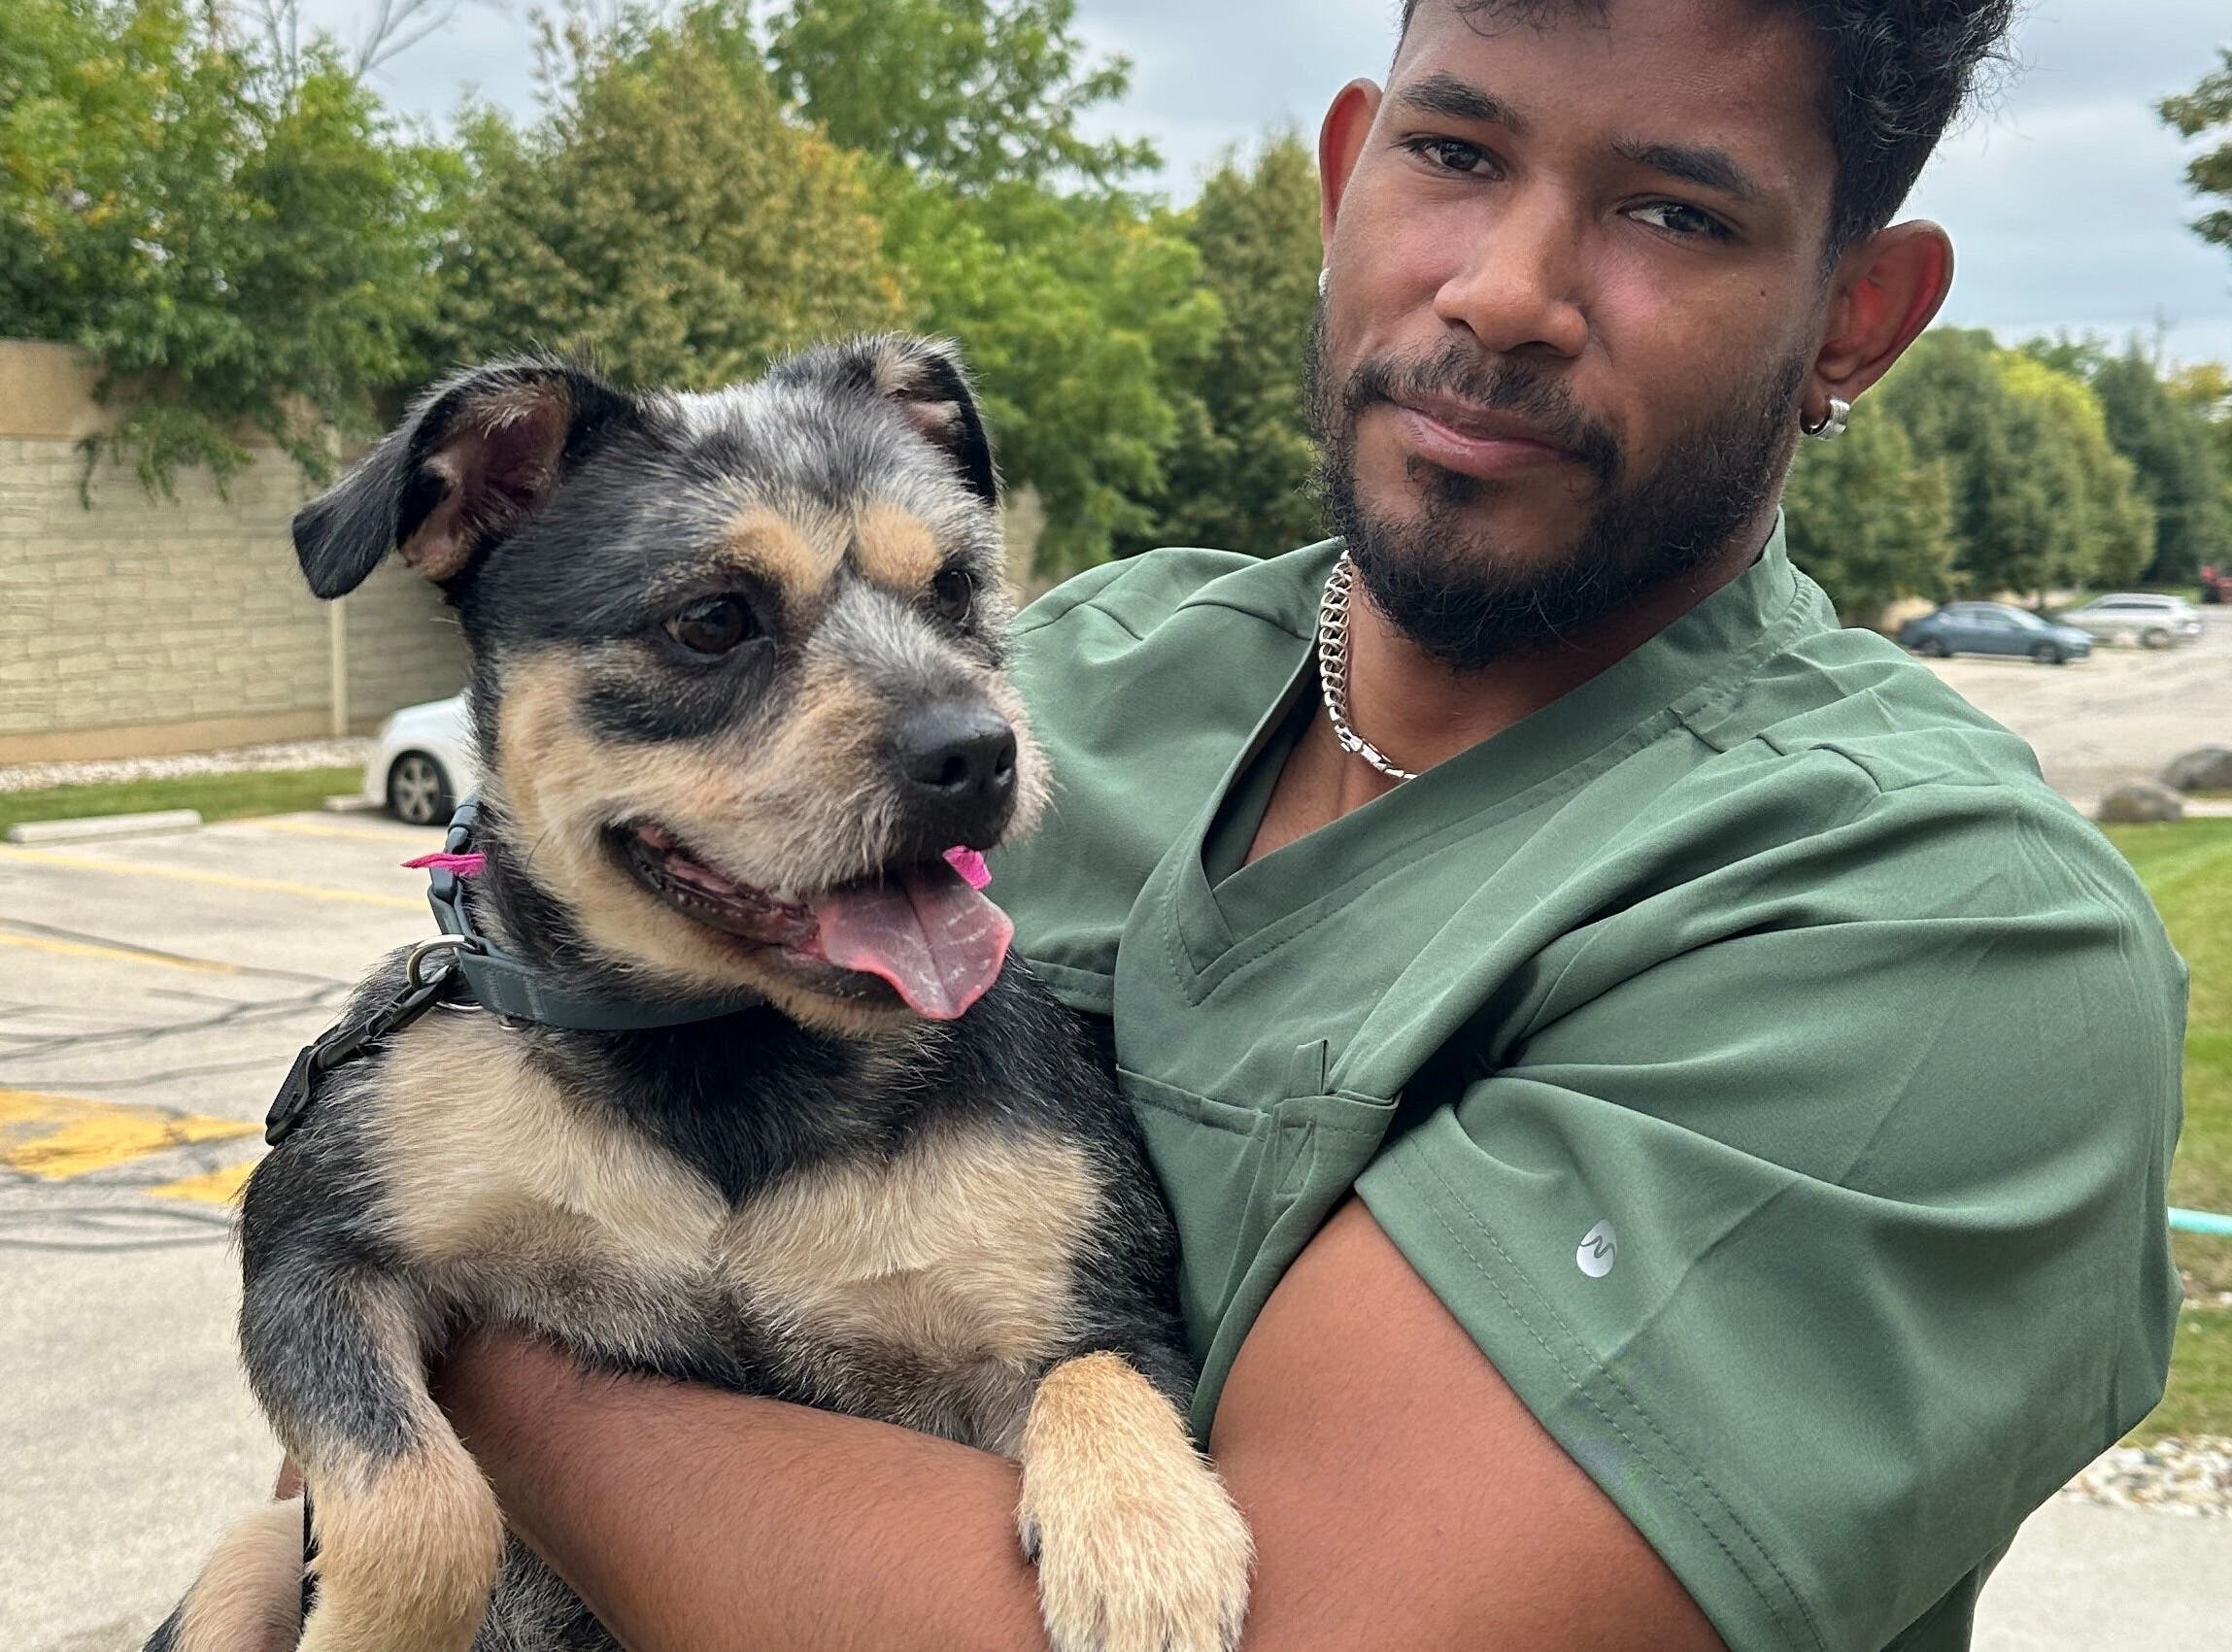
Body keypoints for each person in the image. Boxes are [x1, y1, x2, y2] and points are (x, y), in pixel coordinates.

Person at [308, 1, 2190, 1647]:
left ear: (1856, 315)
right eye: (1458, 149)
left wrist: (431, 1302)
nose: (1507, 289)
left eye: (1672, 210)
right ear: (1350, 173)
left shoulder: (1936, 937)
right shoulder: (1096, 668)